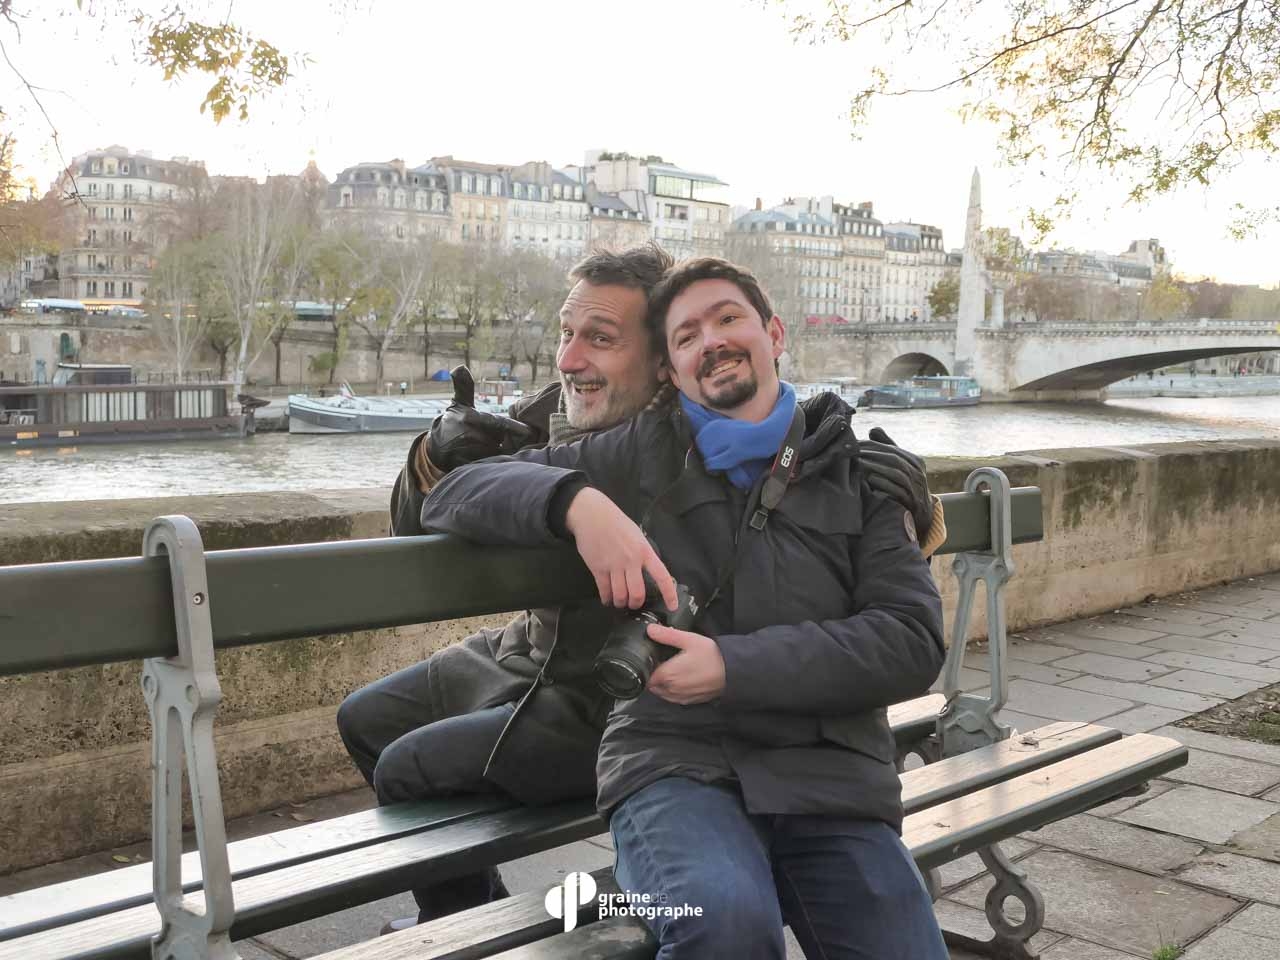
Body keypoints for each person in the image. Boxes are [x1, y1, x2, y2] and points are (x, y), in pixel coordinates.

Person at [339, 245, 940, 932]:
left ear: (661, 365)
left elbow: (817, 547)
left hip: (609, 693)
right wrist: (434, 455)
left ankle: (469, 931)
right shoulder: (549, 414)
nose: (570, 360)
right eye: (566, 333)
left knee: (409, 769)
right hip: (535, 652)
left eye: (600, 338)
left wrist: (911, 508)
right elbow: (426, 523)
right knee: (366, 719)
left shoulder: (682, 437)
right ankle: (468, 917)